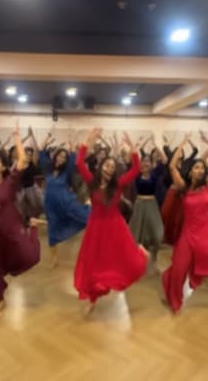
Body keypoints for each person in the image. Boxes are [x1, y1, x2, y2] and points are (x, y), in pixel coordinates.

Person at [75, 129, 149, 315]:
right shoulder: (92, 182)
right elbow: (79, 163)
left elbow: (136, 169)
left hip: (115, 226)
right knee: (93, 264)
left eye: (112, 167)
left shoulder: (119, 185)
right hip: (96, 228)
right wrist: (88, 140)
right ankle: (92, 298)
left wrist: (133, 148)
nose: (109, 168)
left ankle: (139, 253)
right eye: (107, 165)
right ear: (101, 167)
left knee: (119, 261)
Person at [162, 132, 208, 313]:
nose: (201, 170)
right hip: (188, 234)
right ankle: (175, 299)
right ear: (190, 171)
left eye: (202, 168)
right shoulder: (184, 187)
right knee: (178, 269)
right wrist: (183, 142)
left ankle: (196, 279)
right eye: (197, 167)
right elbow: (172, 166)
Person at [0, 125, 44, 314]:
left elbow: (22, 160)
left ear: (4, 166)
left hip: (10, 228)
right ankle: (0, 299)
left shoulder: (10, 182)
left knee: (27, 256)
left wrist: (16, 136)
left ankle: (33, 232)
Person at [39, 133, 90, 268]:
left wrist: (72, 144)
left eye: (64, 157)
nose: (61, 158)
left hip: (66, 202)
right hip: (51, 205)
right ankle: (54, 259)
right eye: (60, 155)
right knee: (52, 233)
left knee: (87, 217)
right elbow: (41, 151)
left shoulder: (66, 171)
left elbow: (73, 158)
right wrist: (48, 137)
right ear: (55, 156)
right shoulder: (48, 169)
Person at [129, 142, 168, 262]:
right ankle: (137, 254)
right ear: (140, 163)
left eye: (148, 161)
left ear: (151, 164)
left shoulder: (154, 174)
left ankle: (151, 252)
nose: (145, 163)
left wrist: (157, 146)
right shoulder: (136, 173)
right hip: (139, 205)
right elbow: (130, 159)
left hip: (151, 205)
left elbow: (165, 160)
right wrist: (133, 146)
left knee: (157, 231)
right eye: (143, 161)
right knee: (136, 231)